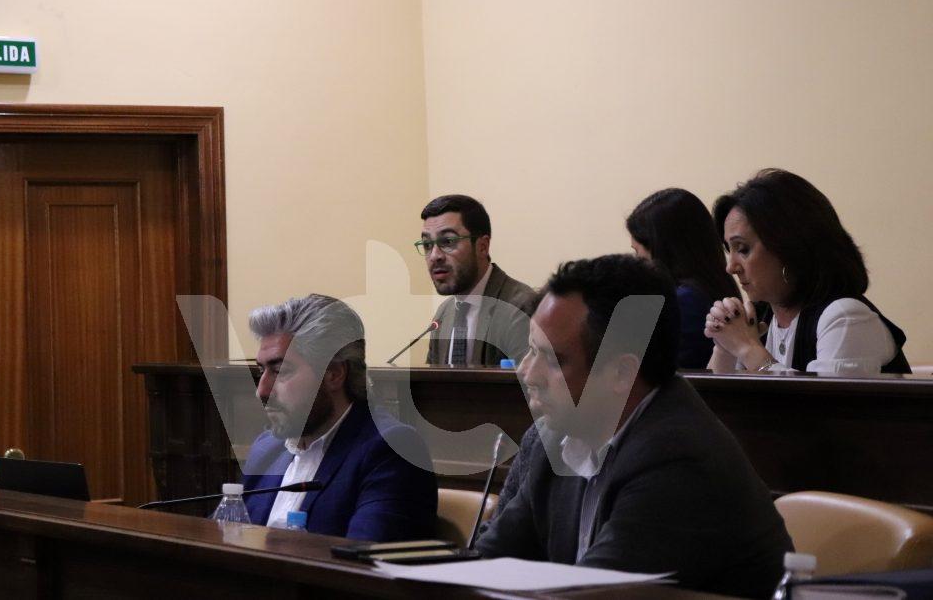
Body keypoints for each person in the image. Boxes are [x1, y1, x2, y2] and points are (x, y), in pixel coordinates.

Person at [476, 256, 792, 598]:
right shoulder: (551, 439)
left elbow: (593, 595)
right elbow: (484, 564)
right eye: (530, 351)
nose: (527, 373)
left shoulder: (678, 459)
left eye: (552, 359)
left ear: (622, 373)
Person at [241, 294, 437, 541]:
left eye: (280, 371)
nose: (262, 390)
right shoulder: (267, 448)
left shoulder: (392, 449)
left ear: (334, 374)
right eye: (261, 371)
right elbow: (225, 541)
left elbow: (363, 557)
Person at [707, 169, 910, 374]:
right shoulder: (760, 316)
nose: (730, 267)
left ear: (788, 247)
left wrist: (747, 348)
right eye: (729, 250)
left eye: (743, 249)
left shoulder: (845, 317)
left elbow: (818, 396)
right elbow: (714, 393)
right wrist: (725, 345)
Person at [626, 188, 741, 368]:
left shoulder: (683, 302)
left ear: (661, 250)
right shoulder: (713, 285)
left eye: (638, 253)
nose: (637, 264)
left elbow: (653, 377)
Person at [418, 194, 536, 366]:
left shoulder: (520, 307)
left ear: (482, 246)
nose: (434, 256)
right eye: (427, 245)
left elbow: (531, 382)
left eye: (448, 241)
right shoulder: (444, 314)